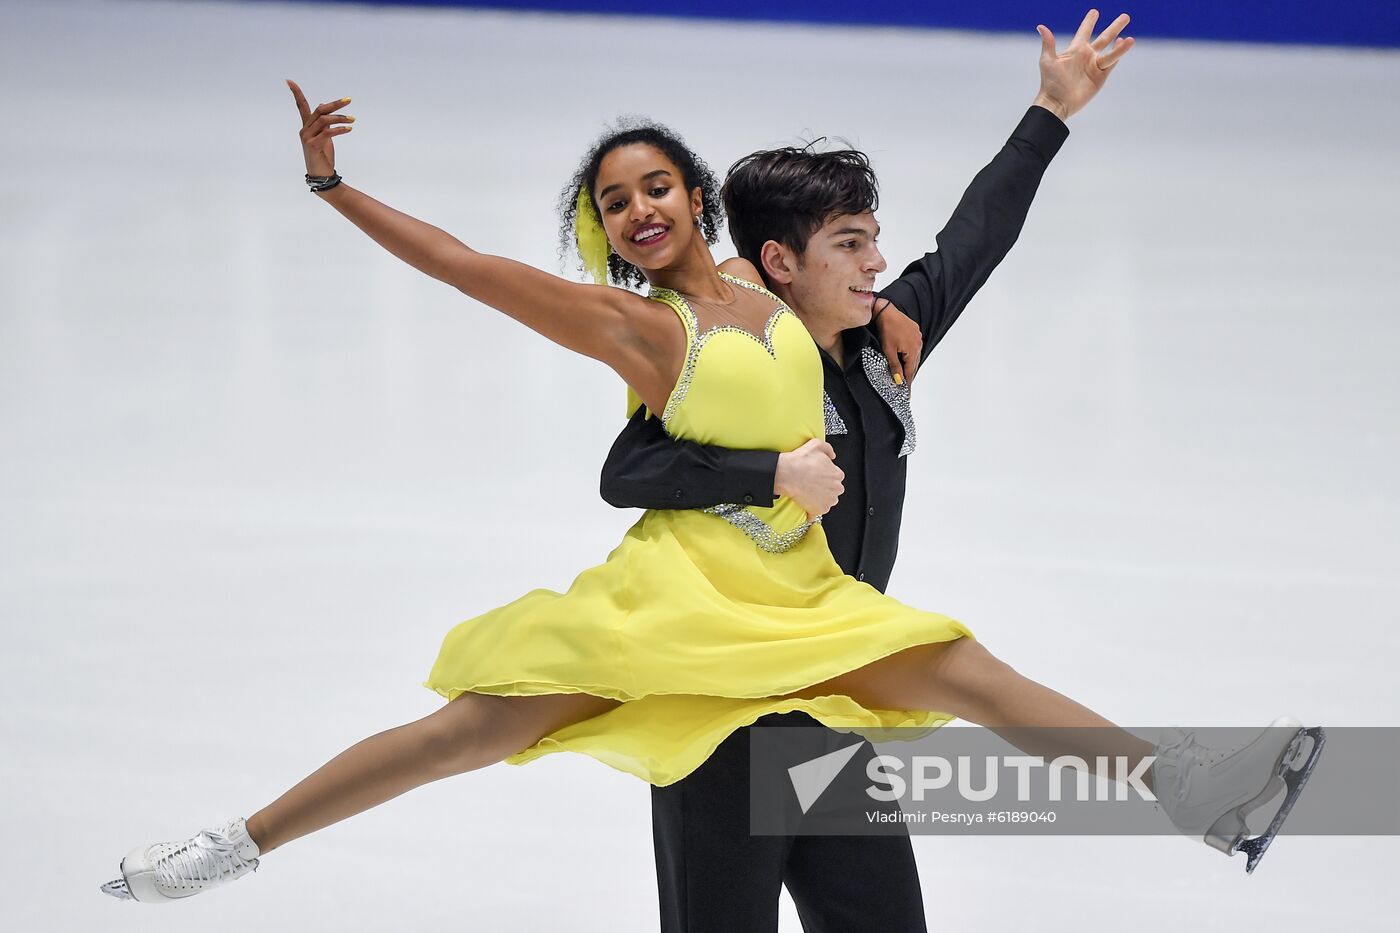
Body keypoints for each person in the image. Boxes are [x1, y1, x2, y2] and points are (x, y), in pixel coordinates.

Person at [101, 10, 1320, 906]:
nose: (641, 206)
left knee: (968, 672)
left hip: (805, 618)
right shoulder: (663, 322)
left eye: (660, 182)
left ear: (694, 194)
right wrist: (330, 185)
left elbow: (971, 238)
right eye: (616, 196)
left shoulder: (838, 314)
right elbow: (501, 307)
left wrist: (1046, 114)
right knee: (466, 731)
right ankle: (236, 843)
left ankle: (1193, 794)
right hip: (686, 608)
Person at [601, 52, 1079, 933]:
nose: (877, 263)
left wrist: (1050, 109)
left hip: (836, 710)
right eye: (850, 245)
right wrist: (769, 471)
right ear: (781, 261)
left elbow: (975, 238)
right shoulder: (732, 371)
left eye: (871, 238)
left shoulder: (880, 341)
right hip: (725, 723)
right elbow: (624, 472)